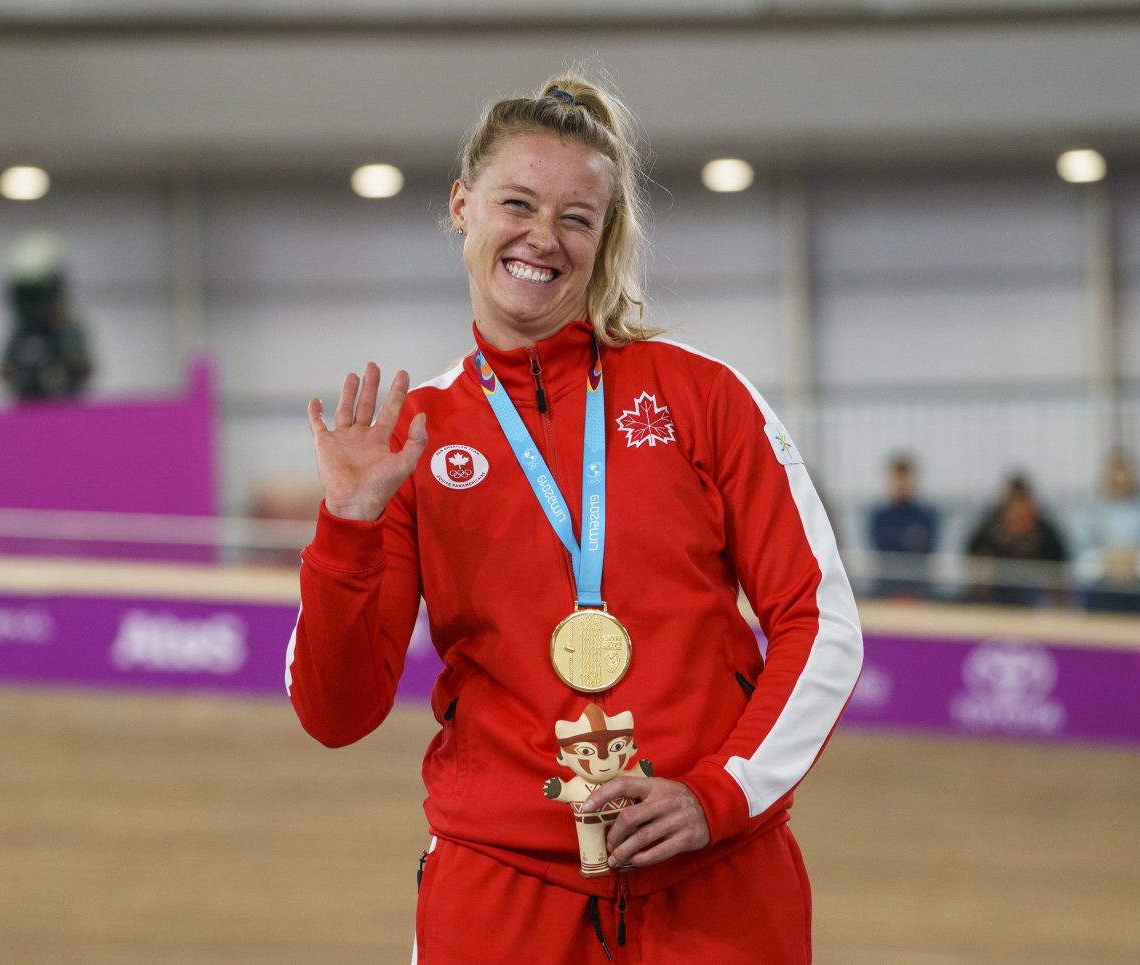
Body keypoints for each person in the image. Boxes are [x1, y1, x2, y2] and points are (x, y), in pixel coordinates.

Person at [285, 71, 862, 965]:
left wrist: (720, 792)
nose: (541, 239)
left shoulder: (703, 396)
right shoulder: (410, 440)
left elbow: (819, 622)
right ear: (462, 207)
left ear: (606, 237)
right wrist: (350, 526)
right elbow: (335, 711)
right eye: (517, 203)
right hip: (502, 895)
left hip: (719, 885)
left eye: (576, 218)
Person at [0, 232, 93, 400]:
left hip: (64, 408)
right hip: (27, 408)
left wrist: (63, 334)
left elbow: (84, 368)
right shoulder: (21, 331)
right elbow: (2, 371)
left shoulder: (68, 329)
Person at [1074, 449, 1140, 612]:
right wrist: (1107, 560)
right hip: (1101, 590)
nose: (1121, 481)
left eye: (1125, 476)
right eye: (1115, 477)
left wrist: (1134, 560)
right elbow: (1080, 557)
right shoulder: (1093, 511)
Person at [963, 473, 1068, 606]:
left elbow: (1059, 560)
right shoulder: (991, 524)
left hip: (1033, 590)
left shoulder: (1043, 528)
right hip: (996, 588)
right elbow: (972, 551)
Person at [867, 454, 939, 598]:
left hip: (920, 583)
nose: (902, 484)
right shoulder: (879, 516)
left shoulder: (927, 515)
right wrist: (909, 540)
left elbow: (927, 547)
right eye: (898, 479)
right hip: (886, 584)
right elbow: (881, 547)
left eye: (905, 479)